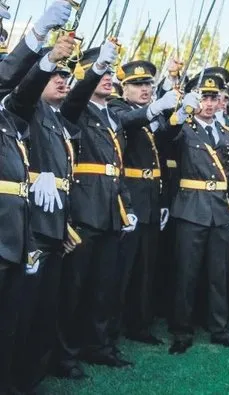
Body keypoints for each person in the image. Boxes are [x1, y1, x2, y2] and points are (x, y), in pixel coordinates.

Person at [0, 3, 72, 391]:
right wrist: (40, 31)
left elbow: (22, 93)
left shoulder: (8, 114)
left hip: (12, 235)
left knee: (9, 326)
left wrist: (47, 59)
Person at [55, 41, 137, 377]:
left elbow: (117, 167)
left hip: (110, 209)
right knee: (74, 289)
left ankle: (99, 346)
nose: (108, 79)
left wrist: (126, 206)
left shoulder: (112, 116)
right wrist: (95, 69)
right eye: (99, 73)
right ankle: (65, 355)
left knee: (105, 286)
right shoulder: (74, 108)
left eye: (109, 73)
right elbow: (75, 96)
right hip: (85, 210)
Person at [163, 73, 229, 355]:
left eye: (213, 98)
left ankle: (219, 329)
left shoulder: (226, 134)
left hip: (220, 210)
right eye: (203, 98)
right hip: (191, 207)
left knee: (218, 274)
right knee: (186, 274)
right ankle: (182, 331)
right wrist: (180, 109)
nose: (209, 104)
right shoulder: (183, 128)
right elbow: (164, 135)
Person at [108, 60, 176, 346]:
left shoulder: (148, 115)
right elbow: (131, 121)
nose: (145, 89)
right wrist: (156, 108)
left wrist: (177, 113)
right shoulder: (117, 108)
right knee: (122, 269)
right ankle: (110, 328)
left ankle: (140, 324)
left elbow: (164, 140)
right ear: (124, 89)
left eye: (148, 84)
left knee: (146, 268)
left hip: (150, 196)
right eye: (137, 85)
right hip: (129, 197)